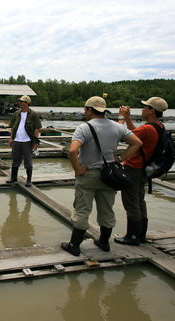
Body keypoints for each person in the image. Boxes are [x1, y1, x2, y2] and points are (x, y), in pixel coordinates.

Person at [60, 96, 142, 256]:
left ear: (89, 110)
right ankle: (104, 242)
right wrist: (121, 158)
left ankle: (74, 245)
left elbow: (72, 151)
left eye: (85, 109)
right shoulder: (117, 127)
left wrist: (78, 170)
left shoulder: (83, 128)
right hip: (109, 175)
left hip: (88, 174)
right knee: (107, 210)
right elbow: (137, 142)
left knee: (82, 210)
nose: (85, 112)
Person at [115, 97, 168, 246]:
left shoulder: (147, 128)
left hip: (134, 168)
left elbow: (123, 135)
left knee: (131, 202)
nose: (142, 109)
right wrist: (128, 118)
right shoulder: (158, 126)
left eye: (145, 107)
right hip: (145, 169)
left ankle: (132, 237)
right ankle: (141, 235)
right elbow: (134, 132)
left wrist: (121, 118)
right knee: (139, 201)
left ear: (151, 111)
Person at [6, 95, 42, 186]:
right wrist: (11, 138)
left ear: (26, 103)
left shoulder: (33, 114)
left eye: (21, 101)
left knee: (28, 162)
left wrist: (35, 142)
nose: (19, 103)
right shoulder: (16, 113)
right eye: (20, 101)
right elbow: (13, 127)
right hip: (17, 141)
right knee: (15, 160)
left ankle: (29, 180)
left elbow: (37, 129)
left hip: (27, 141)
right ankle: (13, 178)